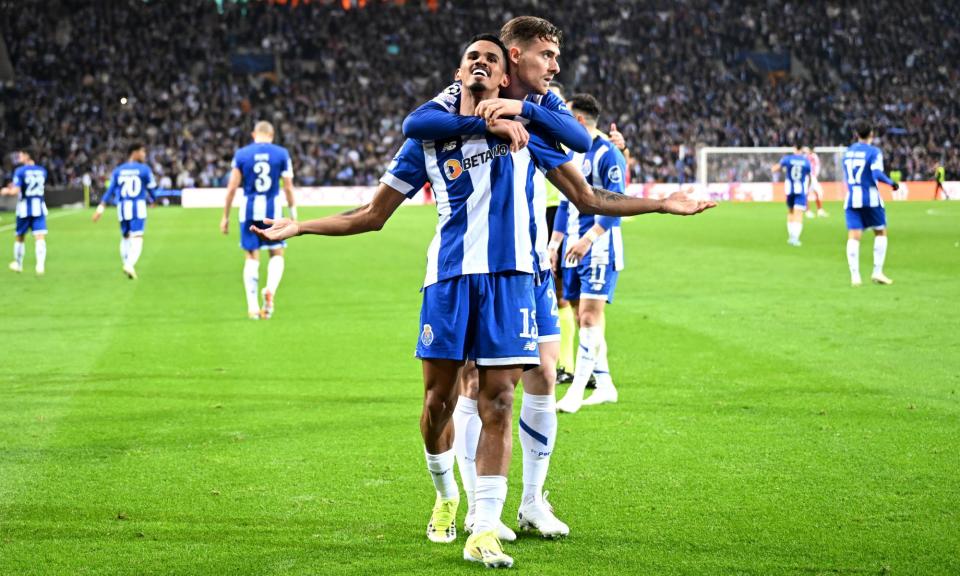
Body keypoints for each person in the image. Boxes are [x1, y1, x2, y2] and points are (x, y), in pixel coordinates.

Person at [551, 94, 628, 413]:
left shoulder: (608, 154)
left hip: (598, 247)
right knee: (585, 319)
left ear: (579, 121)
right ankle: (606, 384)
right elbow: (566, 200)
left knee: (589, 316)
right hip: (572, 245)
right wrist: (554, 243)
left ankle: (577, 391)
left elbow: (617, 203)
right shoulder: (573, 152)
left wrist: (589, 239)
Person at [220, 121, 298, 319]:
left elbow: (231, 189)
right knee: (277, 253)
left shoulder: (242, 154)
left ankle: (253, 306)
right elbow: (288, 187)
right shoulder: (281, 153)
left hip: (248, 211)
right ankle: (270, 289)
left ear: (254, 134)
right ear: (271, 135)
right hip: (273, 212)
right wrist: (293, 214)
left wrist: (225, 216)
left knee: (251, 256)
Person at [842, 121, 897, 286]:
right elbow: (876, 172)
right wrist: (891, 182)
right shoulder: (874, 152)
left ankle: (855, 276)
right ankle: (877, 272)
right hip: (871, 198)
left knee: (854, 235)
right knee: (880, 232)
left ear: (856, 134)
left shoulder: (848, 152)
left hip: (852, 197)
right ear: (871, 134)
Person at [92, 143, 157, 279]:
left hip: (122, 208)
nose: (144, 155)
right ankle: (129, 264)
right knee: (138, 236)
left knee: (125, 236)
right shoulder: (144, 170)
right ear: (135, 152)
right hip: (138, 206)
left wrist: (100, 208)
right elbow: (152, 189)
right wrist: (153, 200)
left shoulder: (118, 170)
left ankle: (126, 263)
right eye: (142, 152)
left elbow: (110, 191)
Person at [2, 150, 48, 275]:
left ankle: (18, 264)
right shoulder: (42, 171)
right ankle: (40, 266)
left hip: (24, 208)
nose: (19, 157)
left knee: (20, 237)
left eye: (21, 155)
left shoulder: (20, 171)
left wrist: (5, 191)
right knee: (39, 236)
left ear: (27, 155)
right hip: (39, 206)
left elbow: (15, 191)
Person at [771, 144, 811, 246]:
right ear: (801, 149)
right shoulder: (805, 161)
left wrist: (773, 168)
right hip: (800, 189)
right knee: (799, 213)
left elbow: (775, 169)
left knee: (790, 211)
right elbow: (809, 175)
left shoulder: (788, 159)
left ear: (794, 149)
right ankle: (795, 238)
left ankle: (791, 236)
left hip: (789, 190)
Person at [802, 146, 828, 217]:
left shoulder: (813, 156)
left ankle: (819, 210)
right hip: (806, 177)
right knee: (806, 193)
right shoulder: (804, 157)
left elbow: (817, 166)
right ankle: (808, 211)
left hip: (812, 177)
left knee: (817, 192)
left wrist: (815, 175)